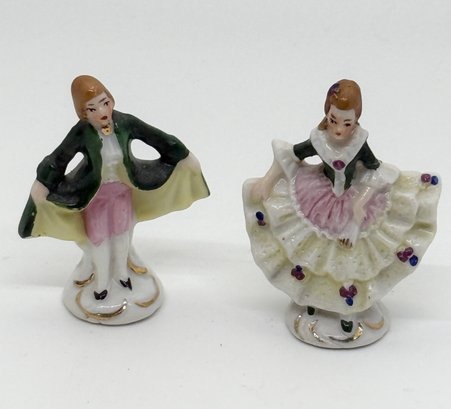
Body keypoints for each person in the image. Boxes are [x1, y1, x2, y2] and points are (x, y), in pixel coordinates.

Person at [243, 80, 440, 347]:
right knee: (313, 250)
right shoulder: (319, 140)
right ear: (326, 113)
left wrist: (361, 202)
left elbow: (375, 171)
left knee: (350, 257)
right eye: (333, 120)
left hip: (354, 199)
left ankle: (350, 308)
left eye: (347, 123)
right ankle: (313, 300)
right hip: (319, 198)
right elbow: (288, 156)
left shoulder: (359, 143)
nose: (338, 129)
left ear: (356, 120)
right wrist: (267, 181)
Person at [19, 75, 209, 322]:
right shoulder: (82, 132)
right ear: (83, 113)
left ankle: (122, 275)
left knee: (121, 234)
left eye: (105, 103)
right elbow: (58, 159)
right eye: (92, 108)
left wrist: (184, 155)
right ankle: (101, 284)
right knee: (99, 239)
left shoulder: (125, 122)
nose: (102, 112)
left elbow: (159, 138)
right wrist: (42, 183)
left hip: (122, 193)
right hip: (95, 197)